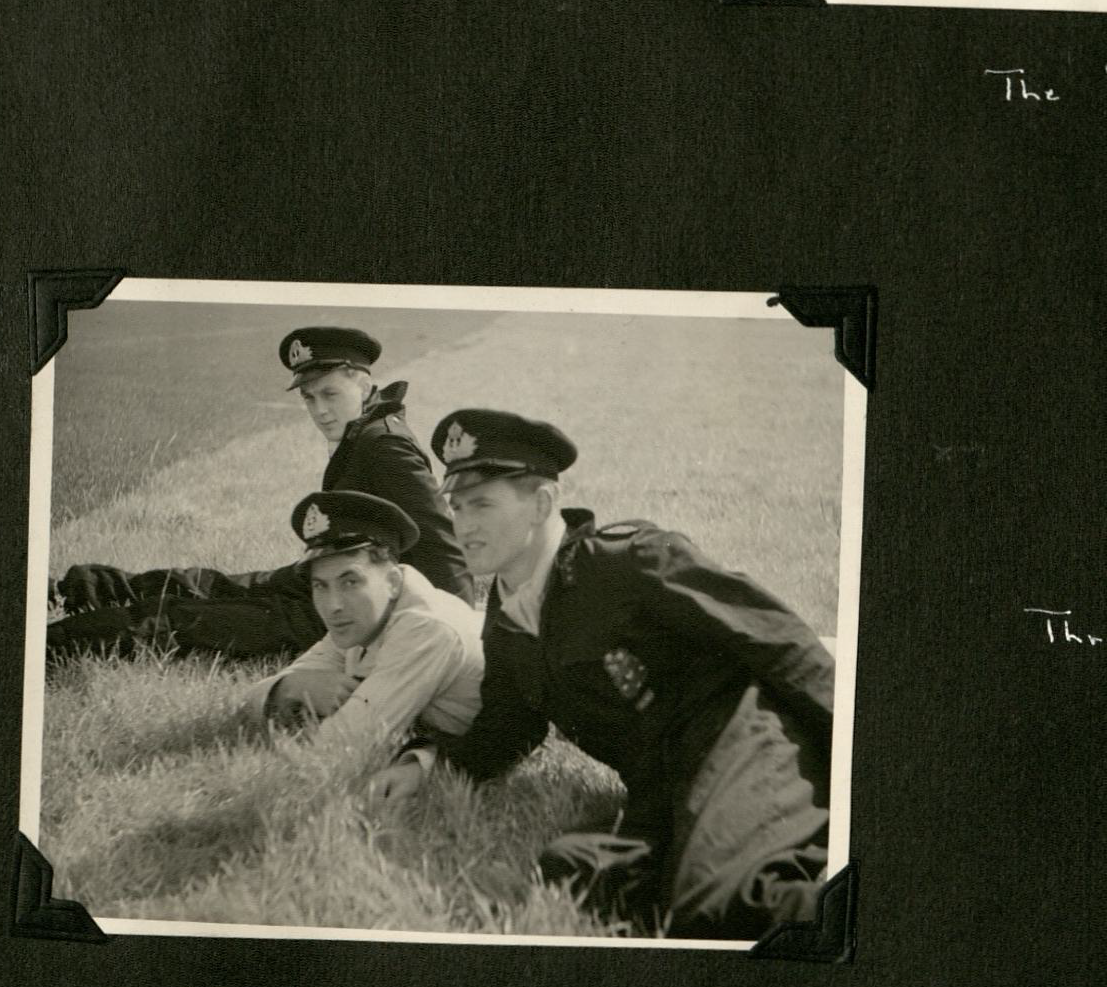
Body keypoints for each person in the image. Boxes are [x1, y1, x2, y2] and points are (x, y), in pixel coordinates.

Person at [371, 409, 835, 939]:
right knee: (572, 872)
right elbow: (508, 726)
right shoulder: (505, 620)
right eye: (456, 506)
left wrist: (856, 760)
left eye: (483, 503)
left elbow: (779, 640)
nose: (464, 525)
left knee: (724, 906)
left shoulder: (628, 561)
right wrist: (423, 762)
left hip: (746, 740)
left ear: (542, 503)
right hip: (658, 783)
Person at [49, 325, 471, 662]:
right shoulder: (368, 430)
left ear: (362, 385)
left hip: (348, 610)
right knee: (207, 584)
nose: (319, 410)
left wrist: (453, 636)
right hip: (328, 581)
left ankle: (47, 646)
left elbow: (442, 544)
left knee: (177, 619)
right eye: (309, 398)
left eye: (330, 394)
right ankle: (69, 591)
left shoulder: (385, 445)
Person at [240, 490, 485, 770]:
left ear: (392, 581)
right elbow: (249, 703)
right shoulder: (361, 621)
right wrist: (292, 686)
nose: (333, 606)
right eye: (321, 585)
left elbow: (339, 746)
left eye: (350, 582)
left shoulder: (425, 629)